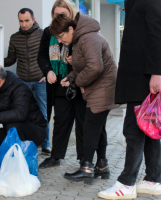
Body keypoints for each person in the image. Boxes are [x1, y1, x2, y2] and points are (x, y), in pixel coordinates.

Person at [98, 0, 161, 199]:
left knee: (133, 129)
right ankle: (153, 180)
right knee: (149, 128)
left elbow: (159, 34)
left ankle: (126, 183)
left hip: (144, 76)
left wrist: (156, 72)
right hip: (140, 74)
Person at [50, 13, 118, 184]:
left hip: (103, 88)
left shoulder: (88, 38)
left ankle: (86, 167)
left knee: (89, 127)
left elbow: (95, 67)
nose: (60, 41)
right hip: (98, 88)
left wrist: (77, 81)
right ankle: (102, 166)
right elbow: (84, 65)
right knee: (98, 127)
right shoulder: (80, 39)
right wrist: (72, 77)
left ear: (71, 29)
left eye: (61, 36)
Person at [38, 0, 87, 170]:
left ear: (71, 14)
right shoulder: (47, 32)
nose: (59, 17)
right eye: (56, 14)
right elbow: (42, 56)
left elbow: (87, 56)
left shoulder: (79, 31)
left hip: (79, 84)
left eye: (63, 15)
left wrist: (76, 61)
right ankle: (56, 156)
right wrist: (47, 71)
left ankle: (84, 159)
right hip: (58, 86)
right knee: (60, 122)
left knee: (82, 123)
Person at [4, 8, 51, 154]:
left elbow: (52, 55)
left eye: (27, 21)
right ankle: (29, 142)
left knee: (42, 113)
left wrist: (49, 71)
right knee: (23, 113)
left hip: (41, 81)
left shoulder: (44, 34)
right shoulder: (14, 38)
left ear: (33, 20)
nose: (24, 24)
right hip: (23, 82)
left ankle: (45, 144)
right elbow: (10, 59)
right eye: (21, 21)